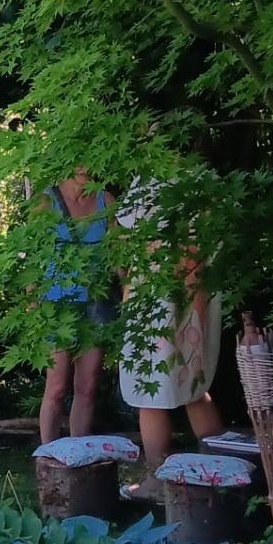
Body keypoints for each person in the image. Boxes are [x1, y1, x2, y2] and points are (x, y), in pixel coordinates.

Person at [115, 175, 224, 501]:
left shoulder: (147, 182)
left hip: (155, 302)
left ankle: (157, 482)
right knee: (193, 387)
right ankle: (219, 472)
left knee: (149, 394)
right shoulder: (204, 182)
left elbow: (127, 246)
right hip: (191, 300)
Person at [36, 169, 117, 443]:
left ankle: (79, 457)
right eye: (79, 160)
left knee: (87, 387)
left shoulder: (107, 200)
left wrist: (133, 293)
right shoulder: (46, 202)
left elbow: (119, 258)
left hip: (98, 300)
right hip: (57, 304)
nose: (86, 168)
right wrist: (33, 304)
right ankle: (48, 458)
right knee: (56, 387)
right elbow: (32, 258)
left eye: (93, 161)